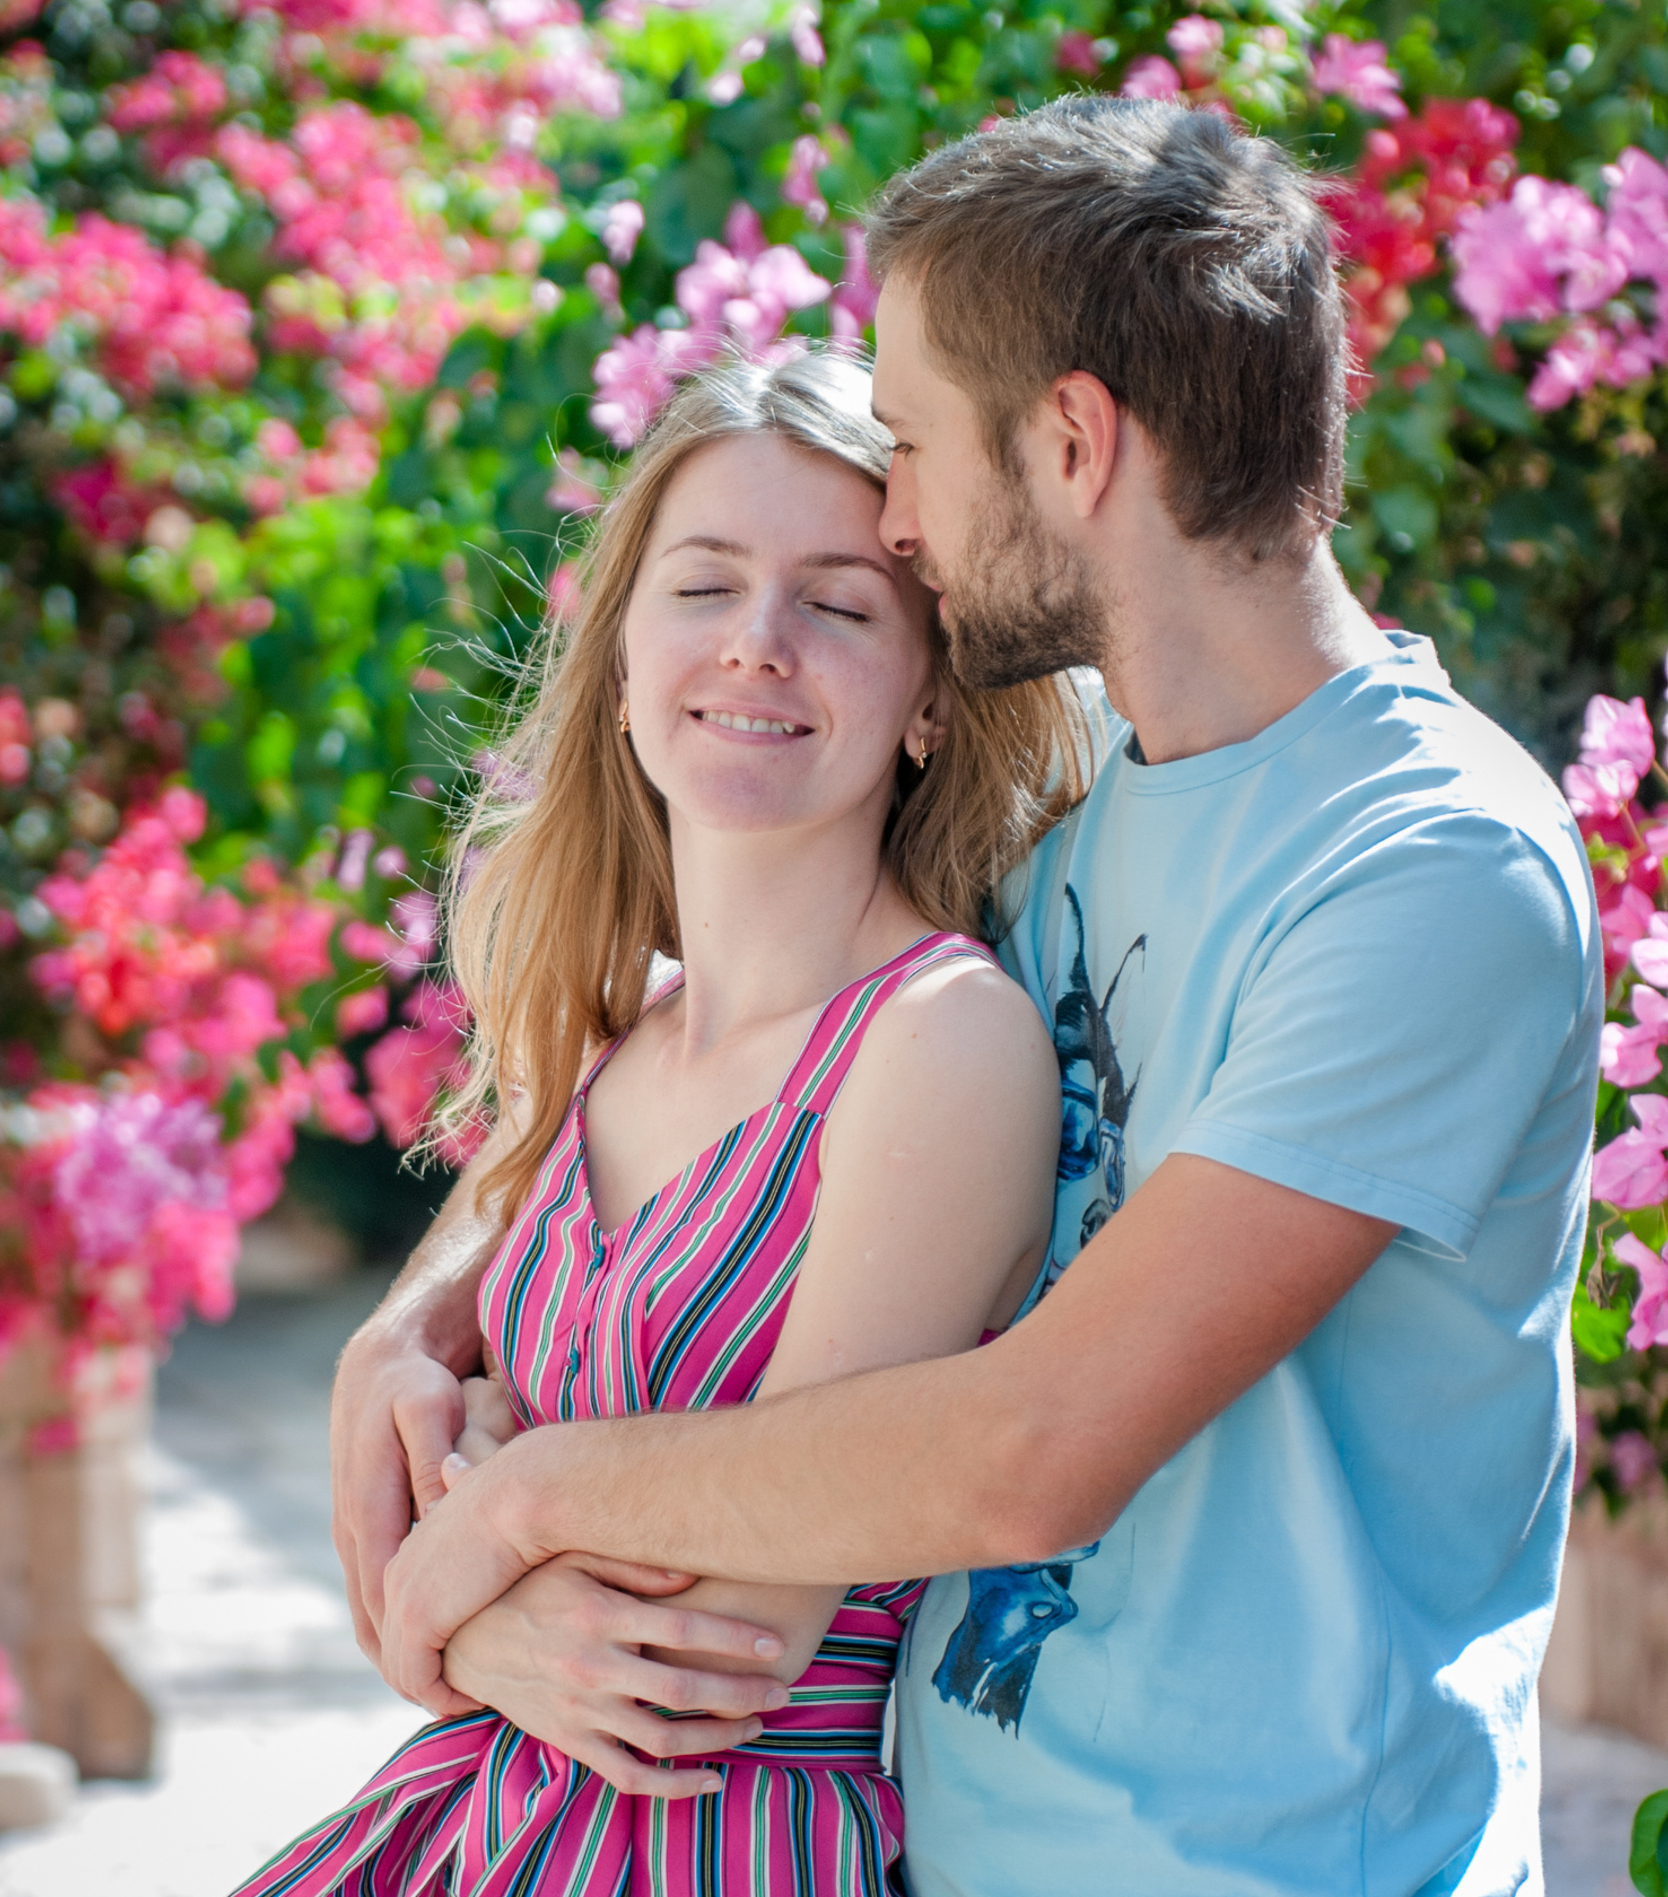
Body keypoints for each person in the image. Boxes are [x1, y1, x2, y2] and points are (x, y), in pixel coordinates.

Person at [333, 96, 1602, 1896]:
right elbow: (730, 1073)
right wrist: (419, 1320)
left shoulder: (1426, 867)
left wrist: (519, 1506)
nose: (905, 521)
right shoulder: (1075, 826)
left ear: (1072, 443)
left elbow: (1032, 1450)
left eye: (917, 444)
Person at [231, 350, 1091, 1896]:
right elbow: (395, 1540)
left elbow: (733, 1644)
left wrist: (471, 1560)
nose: (758, 642)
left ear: (927, 698)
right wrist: (468, 1585)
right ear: (624, 660)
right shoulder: (611, 1044)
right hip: (477, 1829)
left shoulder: (939, 1041)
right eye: (703, 587)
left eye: (838, 605)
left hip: (719, 1848)